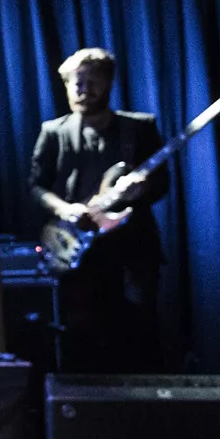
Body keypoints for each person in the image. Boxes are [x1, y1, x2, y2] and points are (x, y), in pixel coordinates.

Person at [29, 47, 168, 372]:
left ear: (108, 84)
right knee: (82, 335)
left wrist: (143, 188)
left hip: (133, 247)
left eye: (92, 82)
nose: (83, 90)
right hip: (78, 248)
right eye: (76, 83)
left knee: (138, 331)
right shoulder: (54, 131)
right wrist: (64, 209)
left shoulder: (139, 128)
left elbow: (162, 183)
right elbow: (36, 186)